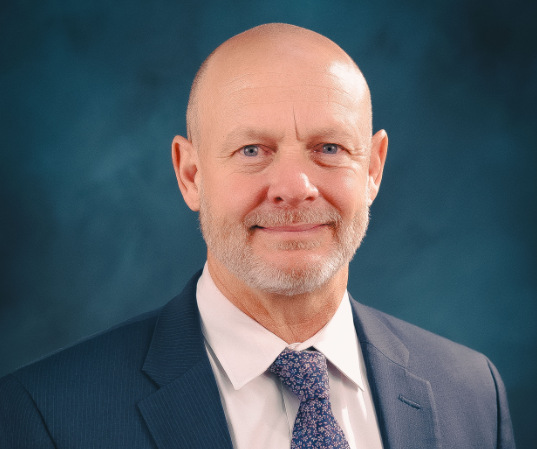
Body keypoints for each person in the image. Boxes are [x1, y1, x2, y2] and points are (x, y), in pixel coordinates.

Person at [0, 23, 515, 448]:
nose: (295, 188)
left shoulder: (472, 394)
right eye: (252, 150)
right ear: (191, 175)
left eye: (330, 148)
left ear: (373, 169)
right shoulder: (44, 414)